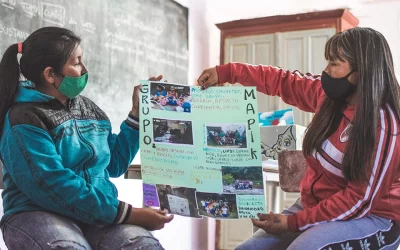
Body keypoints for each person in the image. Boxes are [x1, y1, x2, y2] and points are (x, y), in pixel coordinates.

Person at [197, 27, 400, 250]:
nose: (326, 70)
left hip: (373, 216)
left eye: (334, 63)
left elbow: (360, 200)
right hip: (316, 205)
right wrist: (226, 72)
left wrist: (293, 223)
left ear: (361, 71)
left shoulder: (383, 124)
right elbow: (282, 80)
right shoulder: (329, 97)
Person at [0, 27, 173, 249]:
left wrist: (137, 116)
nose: (84, 69)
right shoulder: (23, 117)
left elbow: (114, 164)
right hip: (36, 212)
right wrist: (128, 213)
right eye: (77, 62)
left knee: (144, 245)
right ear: (50, 74)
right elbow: (53, 184)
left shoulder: (88, 108)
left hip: (96, 212)